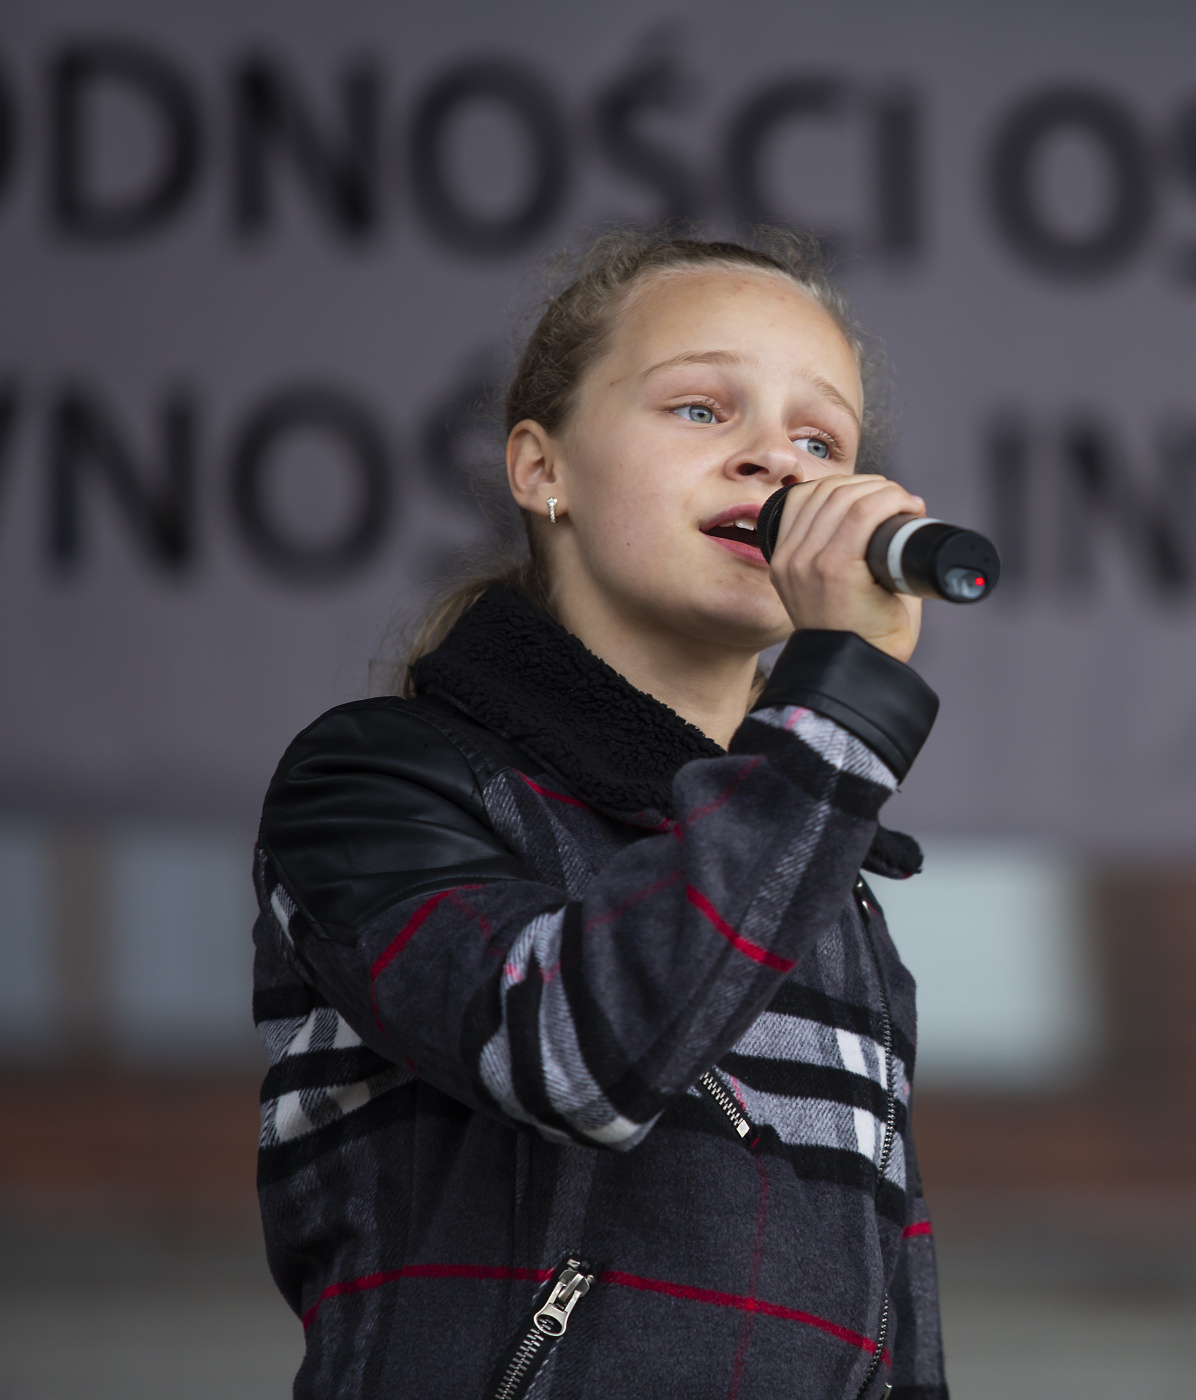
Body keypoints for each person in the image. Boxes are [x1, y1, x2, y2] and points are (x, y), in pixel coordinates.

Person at [250, 229, 947, 1399]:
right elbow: (574, 1057)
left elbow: (892, 1324)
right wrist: (843, 703)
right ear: (542, 468)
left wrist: (821, 760)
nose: (773, 458)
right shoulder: (376, 778)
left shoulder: (824, 874)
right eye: (700, 408)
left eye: (819, 439)